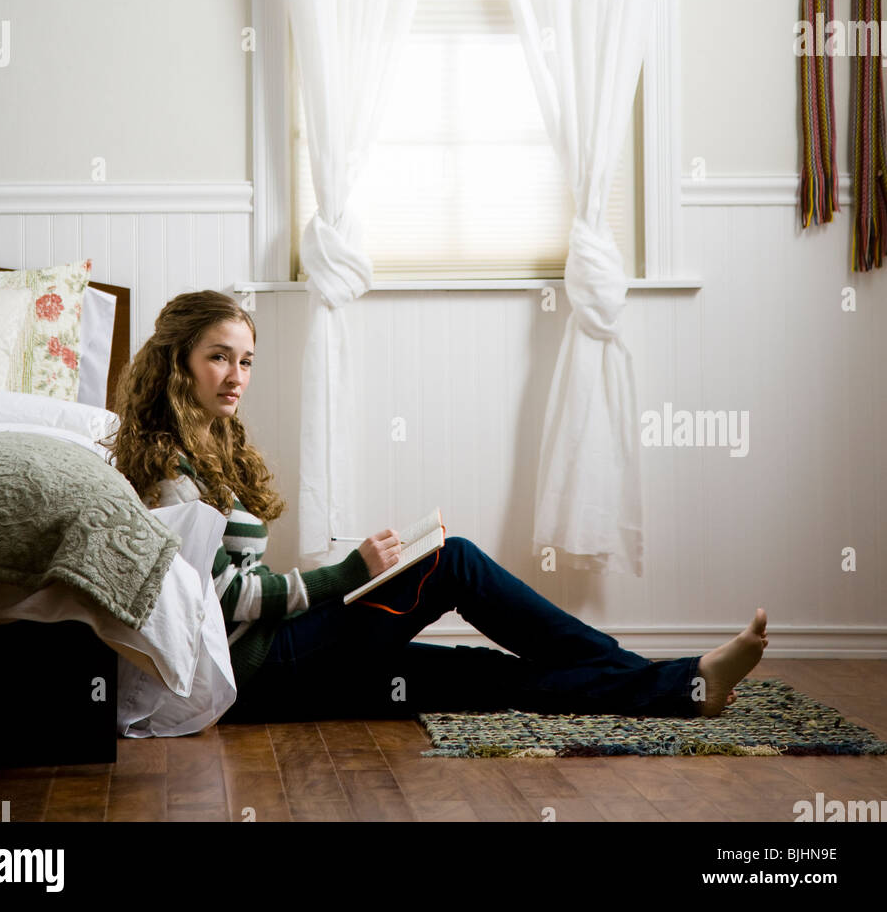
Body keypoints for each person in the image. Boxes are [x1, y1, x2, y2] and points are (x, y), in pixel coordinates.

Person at [107, 290, 768, 724]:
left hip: (274, 671)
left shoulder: (210, 443)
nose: (236, 376)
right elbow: (224, 599)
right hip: (255, 673)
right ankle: (668, 677)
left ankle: (684, 688)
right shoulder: (168, 472)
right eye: (218, 357)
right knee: (453, 564)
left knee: (482, 675)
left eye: (246, 361)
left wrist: (353, 576)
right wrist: (346, 577)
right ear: (177, 363)